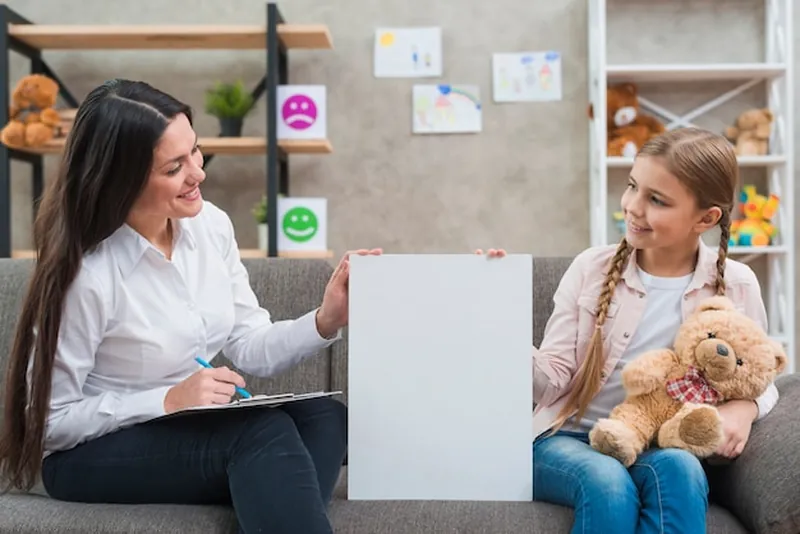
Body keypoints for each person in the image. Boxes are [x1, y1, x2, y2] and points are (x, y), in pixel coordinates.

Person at [0, 79, 380, 534]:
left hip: (181, 429)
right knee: (262, 436)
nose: (198, 173)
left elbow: (249, 342)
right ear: (123, 180)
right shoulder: (89, 274)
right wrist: (165, 400)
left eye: (195, 151)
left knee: (325, 418)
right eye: (174, 167)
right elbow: (48, 423)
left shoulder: (210, 226)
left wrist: (326, 320)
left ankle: (269, 500)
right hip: (87, 453)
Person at [479, 127, 780, 534]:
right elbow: (551, 381)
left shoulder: (737, 284)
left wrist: (745, 408)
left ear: (706, 218)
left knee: (683, 471)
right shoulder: (591, 268)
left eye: (657, 200)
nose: (633, 207)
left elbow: (762, 374)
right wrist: (496, 313)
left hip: (659, 441)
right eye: (633, 187)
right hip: (568, 438)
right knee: (607, 483)